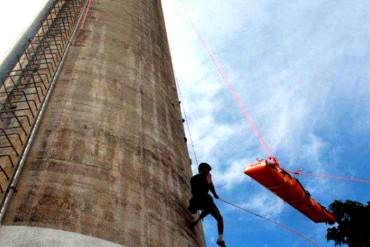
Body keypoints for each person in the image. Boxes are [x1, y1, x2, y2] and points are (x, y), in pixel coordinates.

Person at [188, 163, 226, 247]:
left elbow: (194, 190)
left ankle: (220, 239)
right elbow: (210, 185)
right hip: (203, 199)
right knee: (218, 216)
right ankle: (220, 239)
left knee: (215, 214)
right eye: (207, 169)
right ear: (203, 169)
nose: (209, 172)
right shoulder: (205, 176)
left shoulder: (194, 178)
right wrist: (214, 194)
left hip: (196, 201)